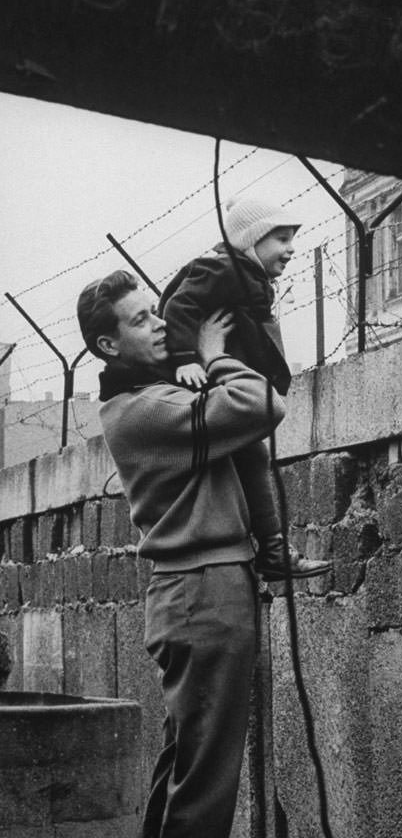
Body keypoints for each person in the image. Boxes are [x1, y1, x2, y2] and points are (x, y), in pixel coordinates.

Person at [76, 269, 280, 838]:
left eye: (155, 310)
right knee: (207, 780)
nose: (161, 322)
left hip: (197, 592)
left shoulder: (154, 394)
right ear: (109, 346)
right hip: (204, 594)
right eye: (142, 319)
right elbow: (263, 403)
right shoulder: (144, 408)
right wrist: (214, 354)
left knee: (187, 764)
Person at [158, 194, 330, 582]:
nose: (291, 249)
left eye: (292, 239)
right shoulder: (223, 269)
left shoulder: (249, 276)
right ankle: (271, 551)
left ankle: (270, 549)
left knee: (253, 461)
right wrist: (187, 357)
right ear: (250, 241)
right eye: (280, 239)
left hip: (226, 383)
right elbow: (178, 308)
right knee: (251, 461)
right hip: (207, 385)